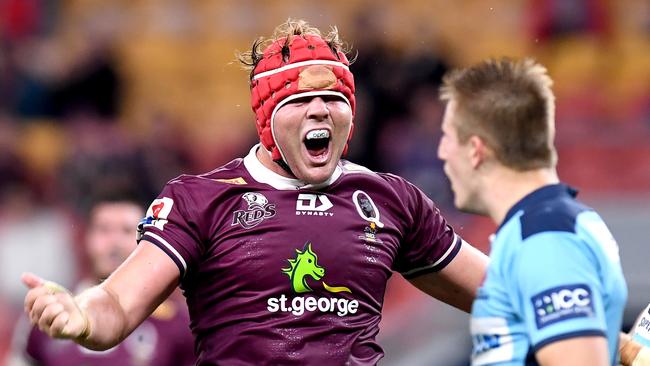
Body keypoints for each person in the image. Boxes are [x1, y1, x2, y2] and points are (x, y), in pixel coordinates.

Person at [21, 19, 489, 365]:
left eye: (334, 99)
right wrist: (81, 317)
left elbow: (499, 291)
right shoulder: (202, 199)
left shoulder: (390, 200)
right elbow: (119, 304)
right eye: (300, 101)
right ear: (267, 118)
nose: (320, 111)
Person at [436, 58, 629, 365]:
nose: (441, 152)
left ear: (476, 149)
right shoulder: (549, 226)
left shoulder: (545, 239)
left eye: (447, 136)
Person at [13, 195, 195, 366]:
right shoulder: (52, 312)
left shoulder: (177, 323)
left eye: (126, 230)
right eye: (104, 229)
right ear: (85, 238)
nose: (114, 242)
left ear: (148, 239)